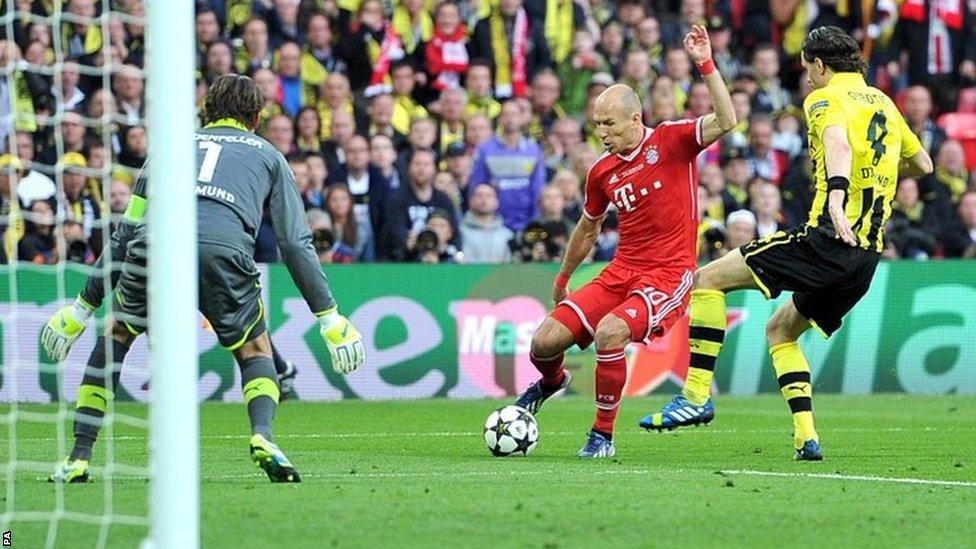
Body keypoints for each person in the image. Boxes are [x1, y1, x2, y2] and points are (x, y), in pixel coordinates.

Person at [42, 75, 366, 483]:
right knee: (254, 348)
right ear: (257, 116)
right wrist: (328, 317)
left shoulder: (167, 151)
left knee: (116, 335)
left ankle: (79, 457)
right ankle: (263, 436)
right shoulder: (269, 155)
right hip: (223, 249)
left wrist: (81, 308)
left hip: (155, 244)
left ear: (207, 111)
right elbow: (294, 242)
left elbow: (125, 233)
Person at [640, 26, 934, 461]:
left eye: (806, 68)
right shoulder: (884, 103)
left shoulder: (824, 98)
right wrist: (874, 179)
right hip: (865, 259)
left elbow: (835, 141)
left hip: (825, 240)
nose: (806, 78)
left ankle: (696, 396)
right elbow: (922, 163)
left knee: (704, 280)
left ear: (820, 64)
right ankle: (806, 438)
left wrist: (837, 194)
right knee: (780, 330)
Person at [512, 26, 735, 458]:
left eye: (609, 124)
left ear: (635, 119)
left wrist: (705, 63)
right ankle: (553, 381)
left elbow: (727, 121)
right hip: (620, 271)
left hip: (668, 275)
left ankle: (601, 438)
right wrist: (564, 275)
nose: (602, 132)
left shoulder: (672, 141)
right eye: (596, 124)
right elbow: (588, 226)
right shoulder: (601, 171)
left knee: (611, 334)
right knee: (543, 342)